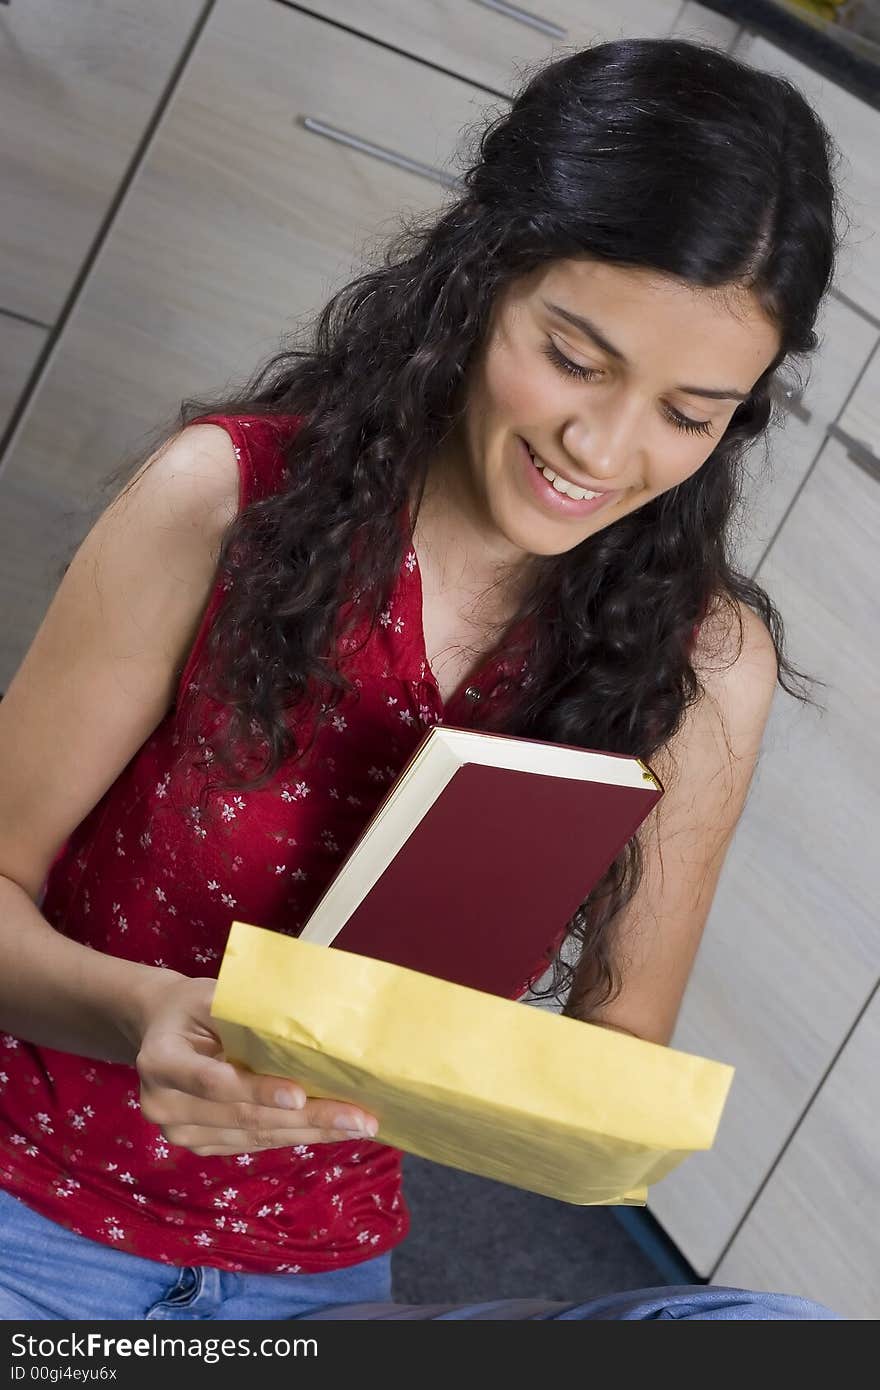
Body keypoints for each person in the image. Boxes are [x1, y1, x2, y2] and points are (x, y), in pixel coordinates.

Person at [0, 37, 845, 1320]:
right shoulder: (223, 501)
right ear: (478, 280)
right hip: (36, 1219)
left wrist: (511, 1076)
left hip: (318, 1296)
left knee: (760, 1336)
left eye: (691, 411)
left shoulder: (705, 663)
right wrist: (145, 1016)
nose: (603, 449)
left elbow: (609, 1058)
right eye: (575, 357)